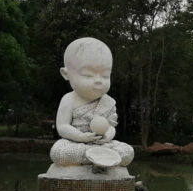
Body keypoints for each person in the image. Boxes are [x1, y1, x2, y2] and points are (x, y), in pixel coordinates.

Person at [48, 37, 134, 174]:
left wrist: (108, 136)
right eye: (88, 75)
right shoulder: (69, 99)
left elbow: (111, 126)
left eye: (105, 76)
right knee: (59, 152)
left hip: (103, 144)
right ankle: (98, 158)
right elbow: (62, 126)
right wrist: (82, 138)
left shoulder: (109, 102)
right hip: (76, 144)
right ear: (66, 74)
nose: (99, 81)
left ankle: (98, 157)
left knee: (127, 152)